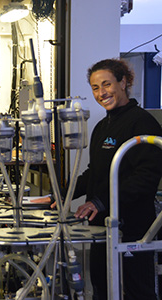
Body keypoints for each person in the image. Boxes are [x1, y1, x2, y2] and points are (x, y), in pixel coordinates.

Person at [33, 58, 162, 299]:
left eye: (107, 84)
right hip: (102, 226)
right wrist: (62, 194)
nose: (101, 93)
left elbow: (145, 178)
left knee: (138, 291)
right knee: (101, 287)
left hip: (133, 227)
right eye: (95, 87)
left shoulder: (142, 122)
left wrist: (100, 201)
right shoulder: (103, 126)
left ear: (123, 82)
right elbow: (95, 173)